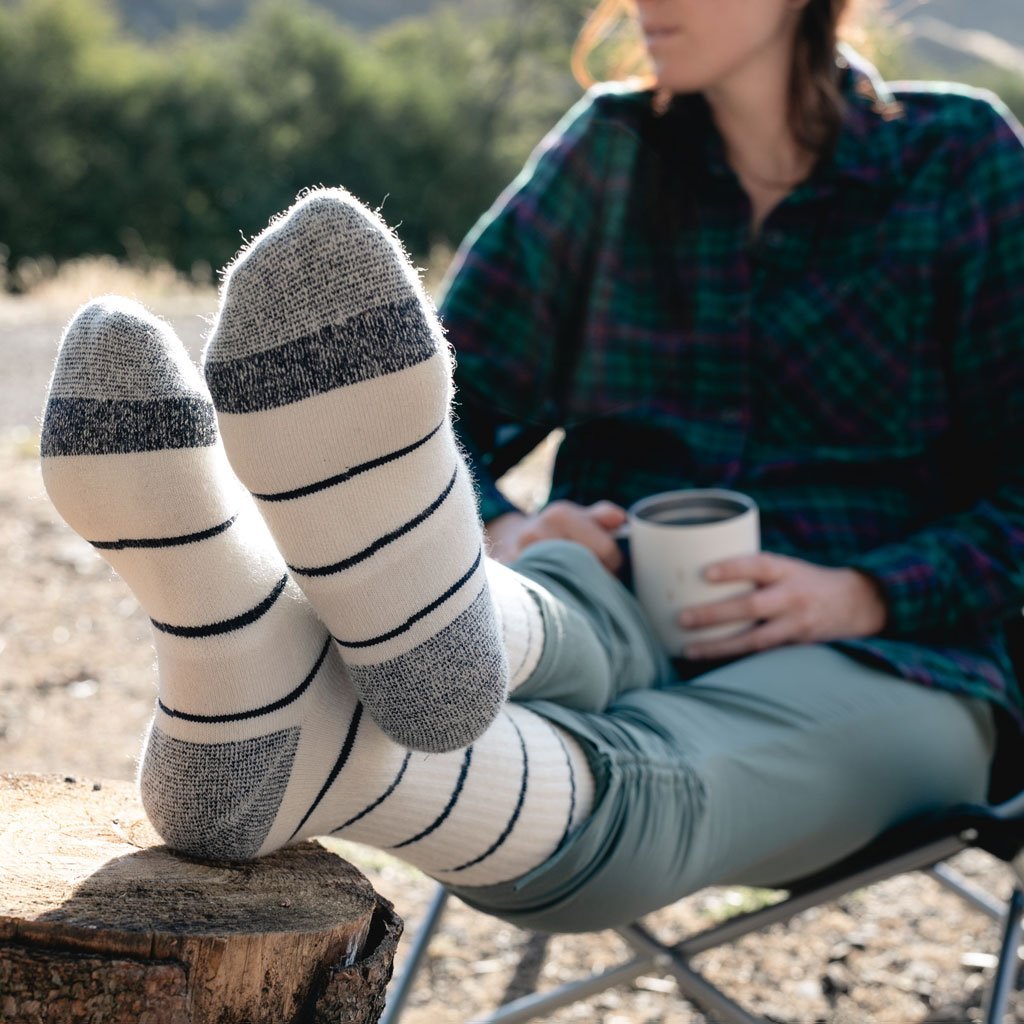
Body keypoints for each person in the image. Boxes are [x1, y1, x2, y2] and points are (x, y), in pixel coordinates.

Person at [40, 0, 1024, 935]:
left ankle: (280, 702)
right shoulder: (608, 153)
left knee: (666, 771)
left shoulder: (957, 158)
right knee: (558, 586)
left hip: (901, 663)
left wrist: (864, 592)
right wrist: (501, 525)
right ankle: (455, 620)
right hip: (606, 597)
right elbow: (429, 405)